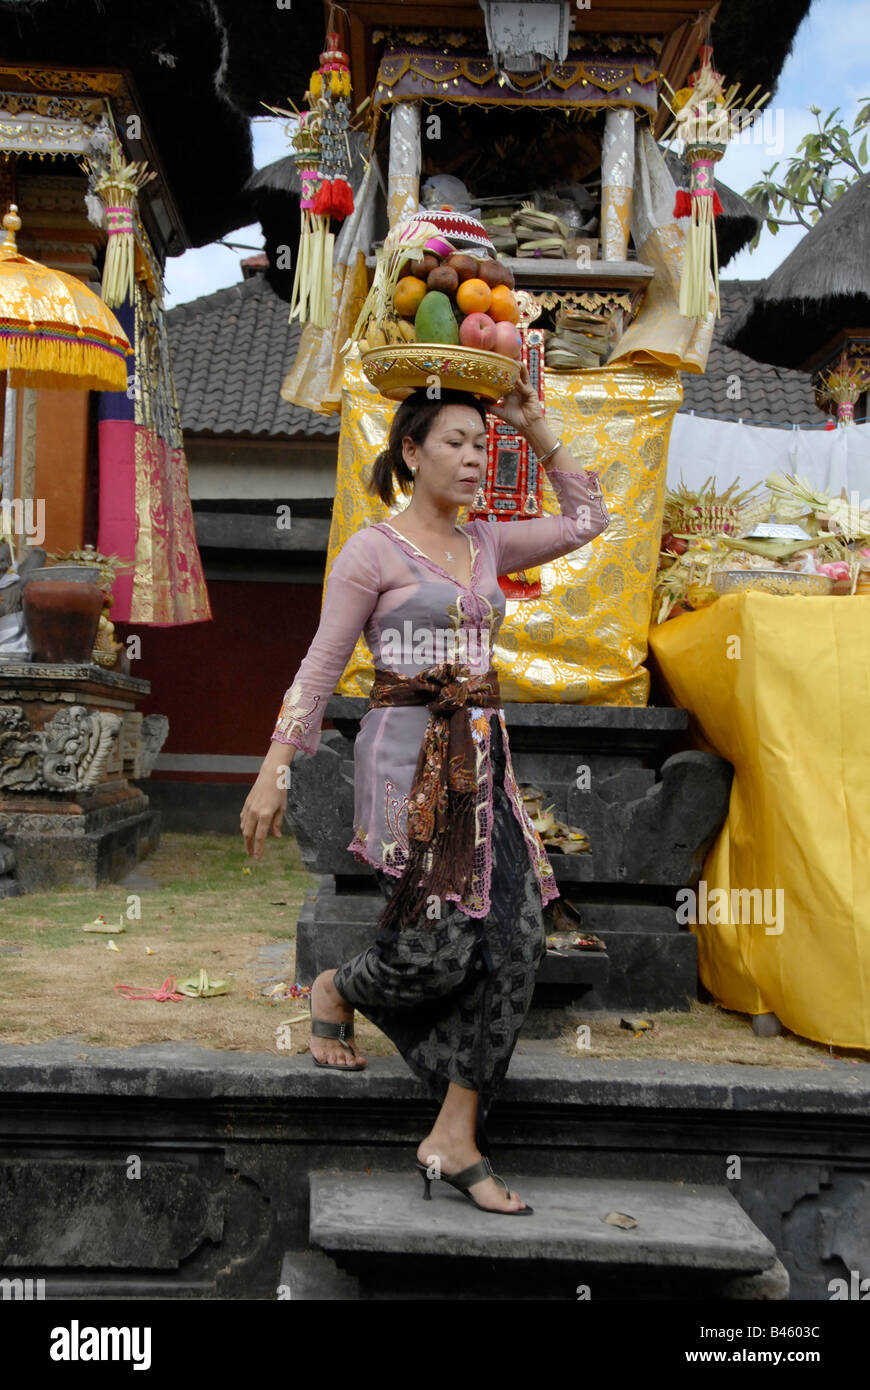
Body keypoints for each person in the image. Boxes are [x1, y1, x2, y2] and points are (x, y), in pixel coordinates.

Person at [240, 362, 610, 1215]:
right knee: (438, 950)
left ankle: (455, 1130)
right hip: (406, 769)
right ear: (412, 450)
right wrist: (274, 765)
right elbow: (321, 664)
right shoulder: (372, 552)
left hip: (484, 768)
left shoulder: (488, 543)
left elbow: (591, 517)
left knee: (517, 940)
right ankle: (336, 988)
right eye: (458, 441)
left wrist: (534, 420)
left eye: (485, 443)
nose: (478, 457)